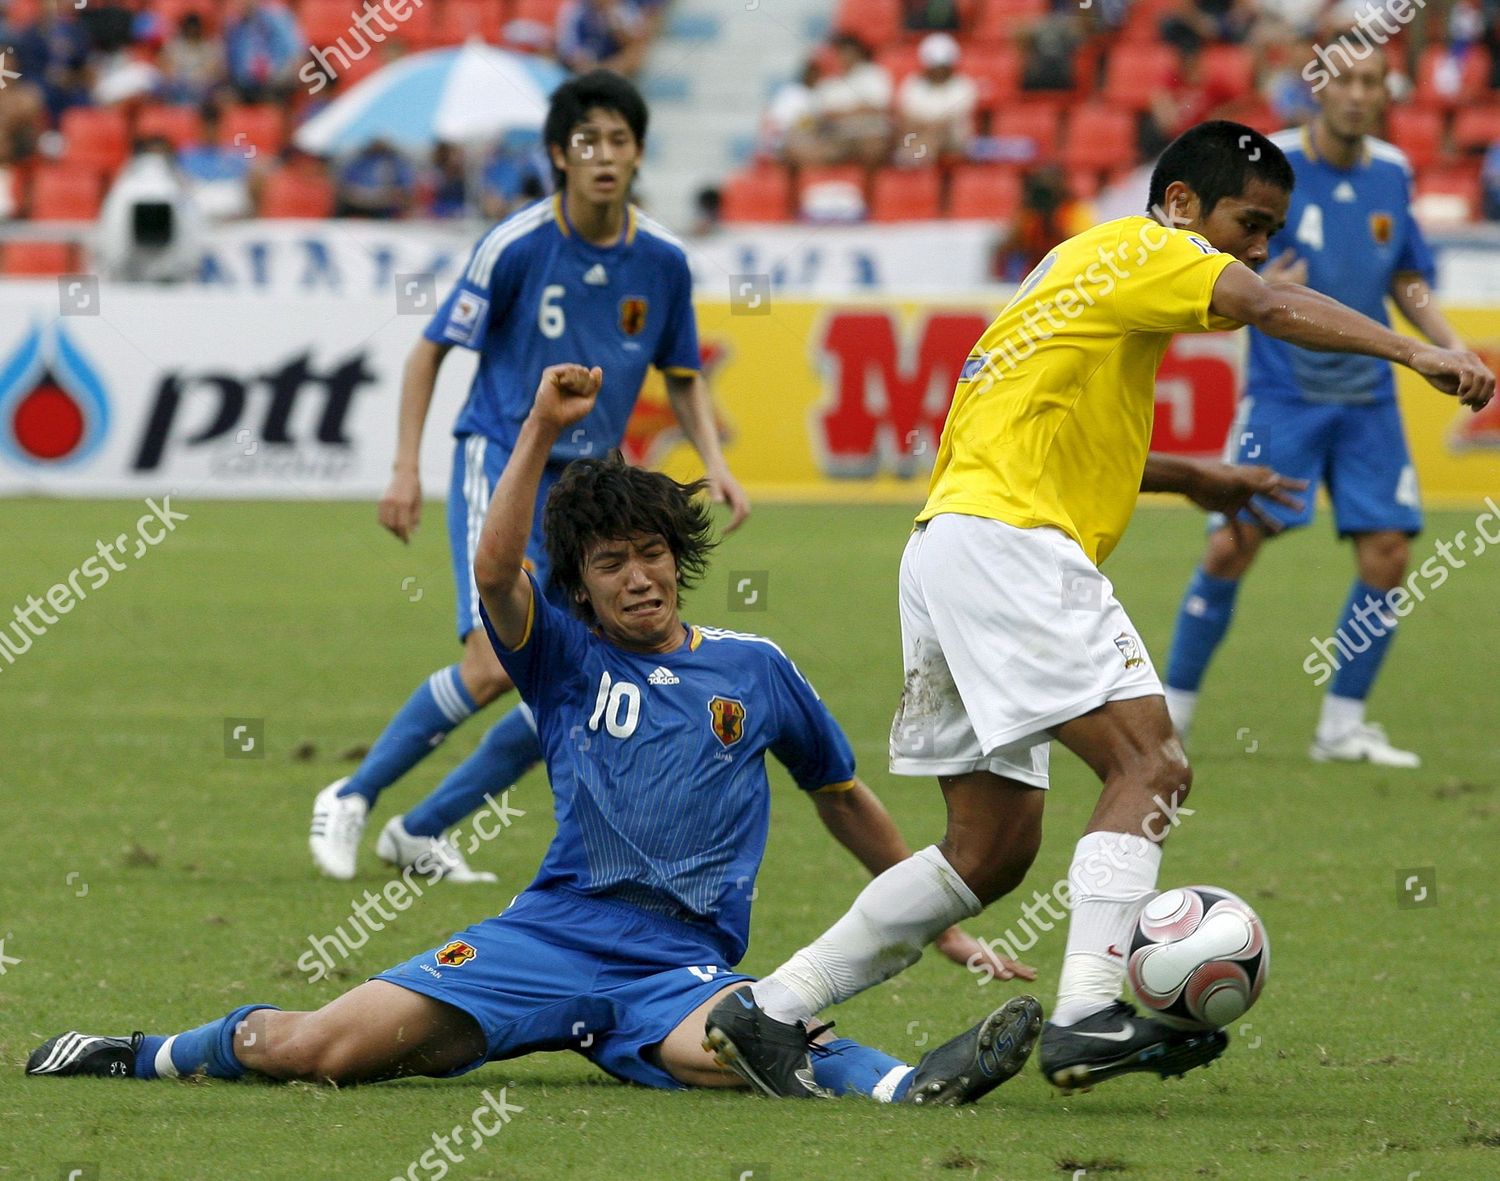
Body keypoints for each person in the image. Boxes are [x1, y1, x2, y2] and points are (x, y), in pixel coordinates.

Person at [702, 119, 1494, 1098]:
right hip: (1013, 546)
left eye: (1270, 228)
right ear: (1181, 205)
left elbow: (1030, 428)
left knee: (989, 850)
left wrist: (1187, 474)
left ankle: (769, 1008)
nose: (1258, 246)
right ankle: (1085, 1016)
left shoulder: (1072, 274)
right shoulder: (1149, 247)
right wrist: (1413, 353)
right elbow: (1266, 303)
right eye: (1250, 223)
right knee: (1150, 761)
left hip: (948, 545)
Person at [27, 364, 1041, 1108]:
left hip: (677, 964)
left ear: (677, 560)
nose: (638, 576)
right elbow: (496, 573)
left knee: (748, 1040)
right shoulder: (560, 658)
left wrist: (937, 919)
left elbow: (843, 795)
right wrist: (537, 431)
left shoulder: (755, 667)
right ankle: (143, 1049)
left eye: (652, 554)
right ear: (581, 583)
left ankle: (917, 1085)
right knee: (322, 1048)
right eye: (611, 563)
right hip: (543, 937)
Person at [308, 70, 750, 884]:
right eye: (589, 142)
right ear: (559, 155)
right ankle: (352, 791)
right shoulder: (516, 244)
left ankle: (419, 829)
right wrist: (405, 466)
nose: (605, 156)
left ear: (639, 153)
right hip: (504, 461)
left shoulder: (660, 258)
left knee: (577, 679)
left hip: (595, 488)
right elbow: (428, 351)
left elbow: (681, 371)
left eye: (620, 141)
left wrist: (716, 465)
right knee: (490, 663)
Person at [1162, 49, 1490, 767]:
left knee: (1389, 553)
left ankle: (1341, 725)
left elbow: (1409, 277)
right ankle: (1172, 717)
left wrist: (1450, 344)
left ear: (1383, 94)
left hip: (1367, 395)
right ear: (1319, 87)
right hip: (1286, 393)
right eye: (1345, 78)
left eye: (1371, 81)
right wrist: (1254, 275)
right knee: (1233, 541)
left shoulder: (1393, 171)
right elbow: (1208, 250)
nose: (1357, 93)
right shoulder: (1271, 165)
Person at [893, 32, 977, 166]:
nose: (939, 71)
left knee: (937, 132)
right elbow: (906, 117)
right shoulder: (912, 84)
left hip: (953, 137)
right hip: (917, 133)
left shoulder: (964, 85)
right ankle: (916, 159)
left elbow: (948, 120)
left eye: (942, 67)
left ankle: (915, 157)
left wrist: (926, 125)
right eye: (935, 66)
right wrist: (923, 126)